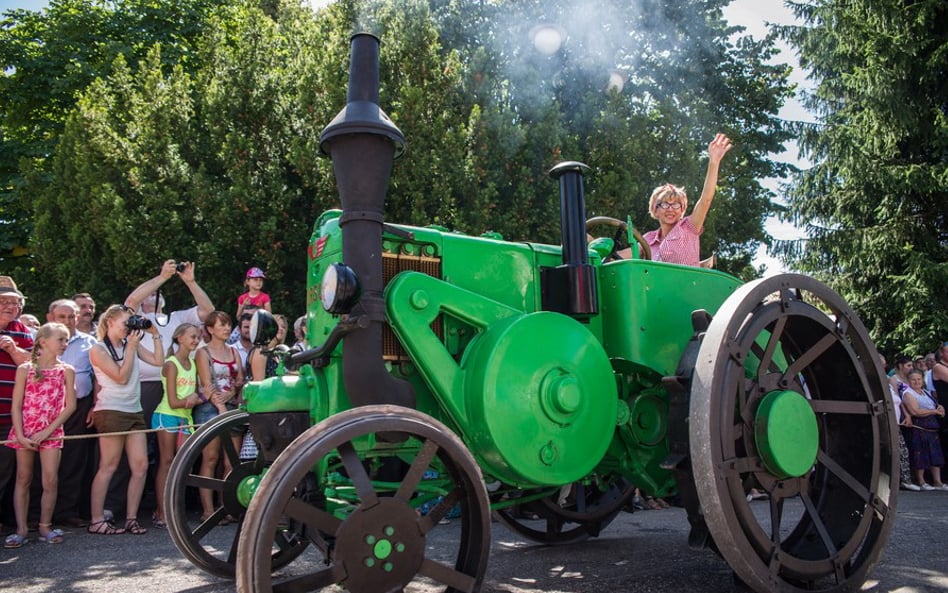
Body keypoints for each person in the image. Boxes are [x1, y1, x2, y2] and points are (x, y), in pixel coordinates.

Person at [123, 260, 213, 515]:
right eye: (149, 290)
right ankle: (141, 508)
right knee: (143, 454)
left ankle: (175, 508)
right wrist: (162, 276)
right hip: (144, 389)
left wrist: (190, 281)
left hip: (178, 397)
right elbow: (130, 300)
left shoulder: (179, 318)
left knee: (175, 458)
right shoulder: (138, 318)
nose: (151, 294)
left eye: (155, 292)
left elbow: (208, 312)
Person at [87, 305, 165, 536]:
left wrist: (155, 335)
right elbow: (120, 377)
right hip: (111, 409)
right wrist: (131, 347)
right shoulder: (98, 349)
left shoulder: (129, 344)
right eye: (125, 323)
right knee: (108, 466)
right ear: (110, 321)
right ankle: (96, 520)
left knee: (140, 466)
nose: (128, 328)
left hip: (134, 410)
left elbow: (158, 361)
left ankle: (131, 518)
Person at [3, 322, 75, 548]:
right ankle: (22, 528)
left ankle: (45, 525)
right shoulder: (25, 369)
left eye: (66, 340)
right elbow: (16, 405)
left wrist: (48, 431)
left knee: (50, 479)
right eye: (60, 339)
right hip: (24, 430)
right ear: (43, 341)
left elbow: (69, 406)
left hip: (52, 432)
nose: (65, 344)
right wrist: (21, 434)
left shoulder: (66, 370)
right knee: (23, 478)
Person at [625, 134, 733, 267]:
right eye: (664, 204)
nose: (670, 208)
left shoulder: (689, 227)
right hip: (654, 287)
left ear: (682, 210)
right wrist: (595, 246)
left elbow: (706, 199)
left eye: (676, 205)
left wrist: (714, 162)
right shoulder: (648, 239)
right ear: (655, 209)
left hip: (686, 286)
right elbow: (619, 256)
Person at [46, 299, 97, 527]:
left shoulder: (90, 342)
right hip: (45, 409)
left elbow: (97, 377)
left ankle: (67, 511)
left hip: (79, 408)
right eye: (62, 317)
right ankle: (37, 514)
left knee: (74, 460)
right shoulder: (42, 339)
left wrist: (95, 405)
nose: (68, 321)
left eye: (72, 316)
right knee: (43, 463)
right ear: (51, 318)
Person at [194, 311, 244, 523]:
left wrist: (231, 393)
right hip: (210, 409)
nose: (226, 328)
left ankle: (226, 507)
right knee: (210, 459)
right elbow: (207, 384)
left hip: (231, 406)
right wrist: (221, 406)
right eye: (221, 325)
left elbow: (240, 378)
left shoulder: (234, 351)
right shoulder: (202, 353)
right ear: (210, 329)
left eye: (228, 324)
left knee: (231, 462)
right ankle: (208, 510)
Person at [151, 323, 202, 529]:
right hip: (168, 415)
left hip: (185, 418)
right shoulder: (171, 364)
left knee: (183, 463)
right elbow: (172, 401)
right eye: (192, 336)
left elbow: (196, 392)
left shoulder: (193, 363)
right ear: (179, 338)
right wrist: (191, 399)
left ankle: (174, 508)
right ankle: (161, 510)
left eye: (198, 337)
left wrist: (195, 397)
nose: (196, 340)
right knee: (167, 461)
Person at [0, 276, 33, 534]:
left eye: (14, 302)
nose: (10, 307)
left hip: (12, 417)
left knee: (6, 472)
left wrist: (13, 350)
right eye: (3, 302)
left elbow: (35, 364)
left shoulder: (21, 331)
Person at [900, 369, 947, 490]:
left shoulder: (925, 392)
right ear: (908, 380)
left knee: (935, 454)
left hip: (932, 427)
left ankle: (938, 481)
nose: (916, 382)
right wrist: (934, 411)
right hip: (919, 427)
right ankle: (921, 481)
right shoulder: (908, 393)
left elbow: (934, 405)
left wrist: (939, 408)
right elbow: (915, 411)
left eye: (919, 379)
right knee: (920, 454)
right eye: (913, 379)